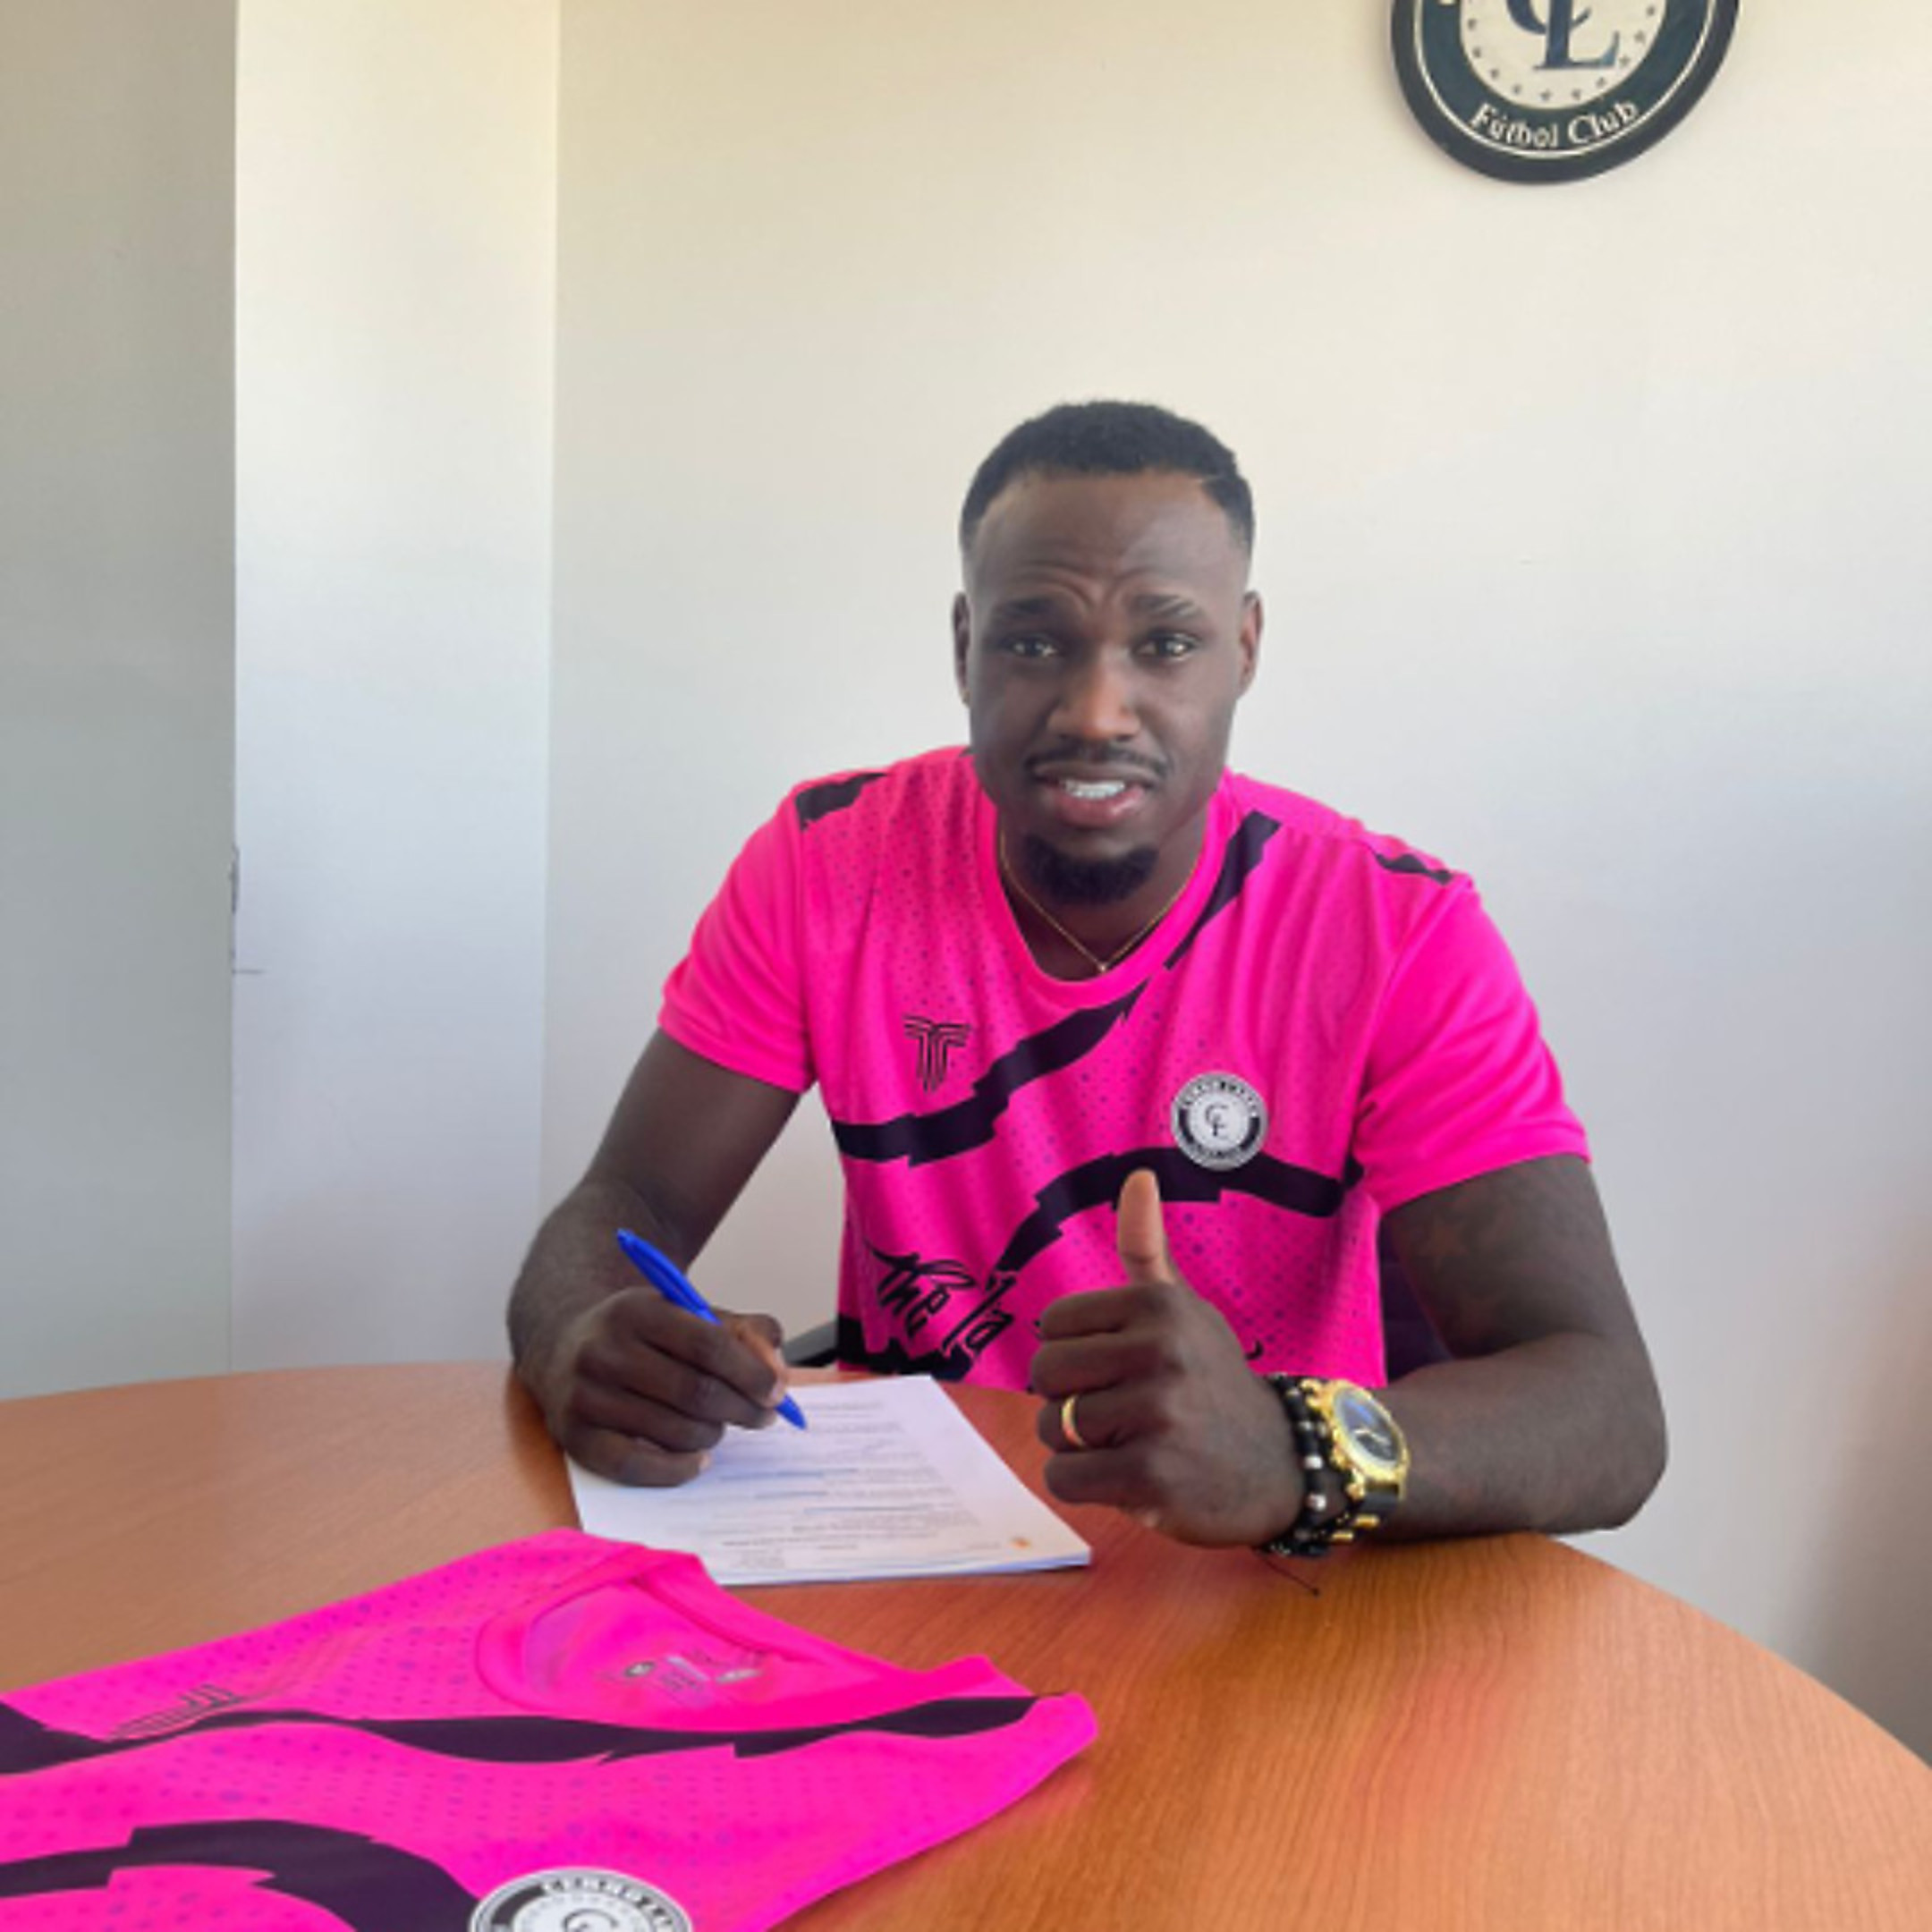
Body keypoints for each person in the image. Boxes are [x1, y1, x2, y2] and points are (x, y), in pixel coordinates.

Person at [510, 402, 1665, 1555]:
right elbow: (626, 1206)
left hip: (1265, 1582)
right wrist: (583, 1338)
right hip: (917, 1560)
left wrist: (1287, 1448)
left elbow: (1607, 1408)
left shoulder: (1394, 931)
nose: (1097, 712)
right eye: (1033, 642)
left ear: (1245, 649)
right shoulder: (829, 867)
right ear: (963, 646)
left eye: (1165, 644)